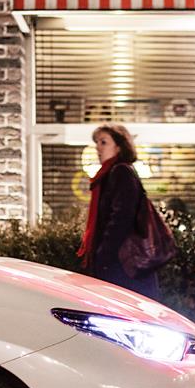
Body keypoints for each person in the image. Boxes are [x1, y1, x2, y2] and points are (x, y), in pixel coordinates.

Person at [77, 123, 160, 300]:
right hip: (119, 263)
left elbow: (121, 218)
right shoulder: (109, 174)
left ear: (119, 146)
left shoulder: (120, 172)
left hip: (123, 264)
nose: (98, 147)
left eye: (103, 142)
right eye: (97, 143)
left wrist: (103, 256)